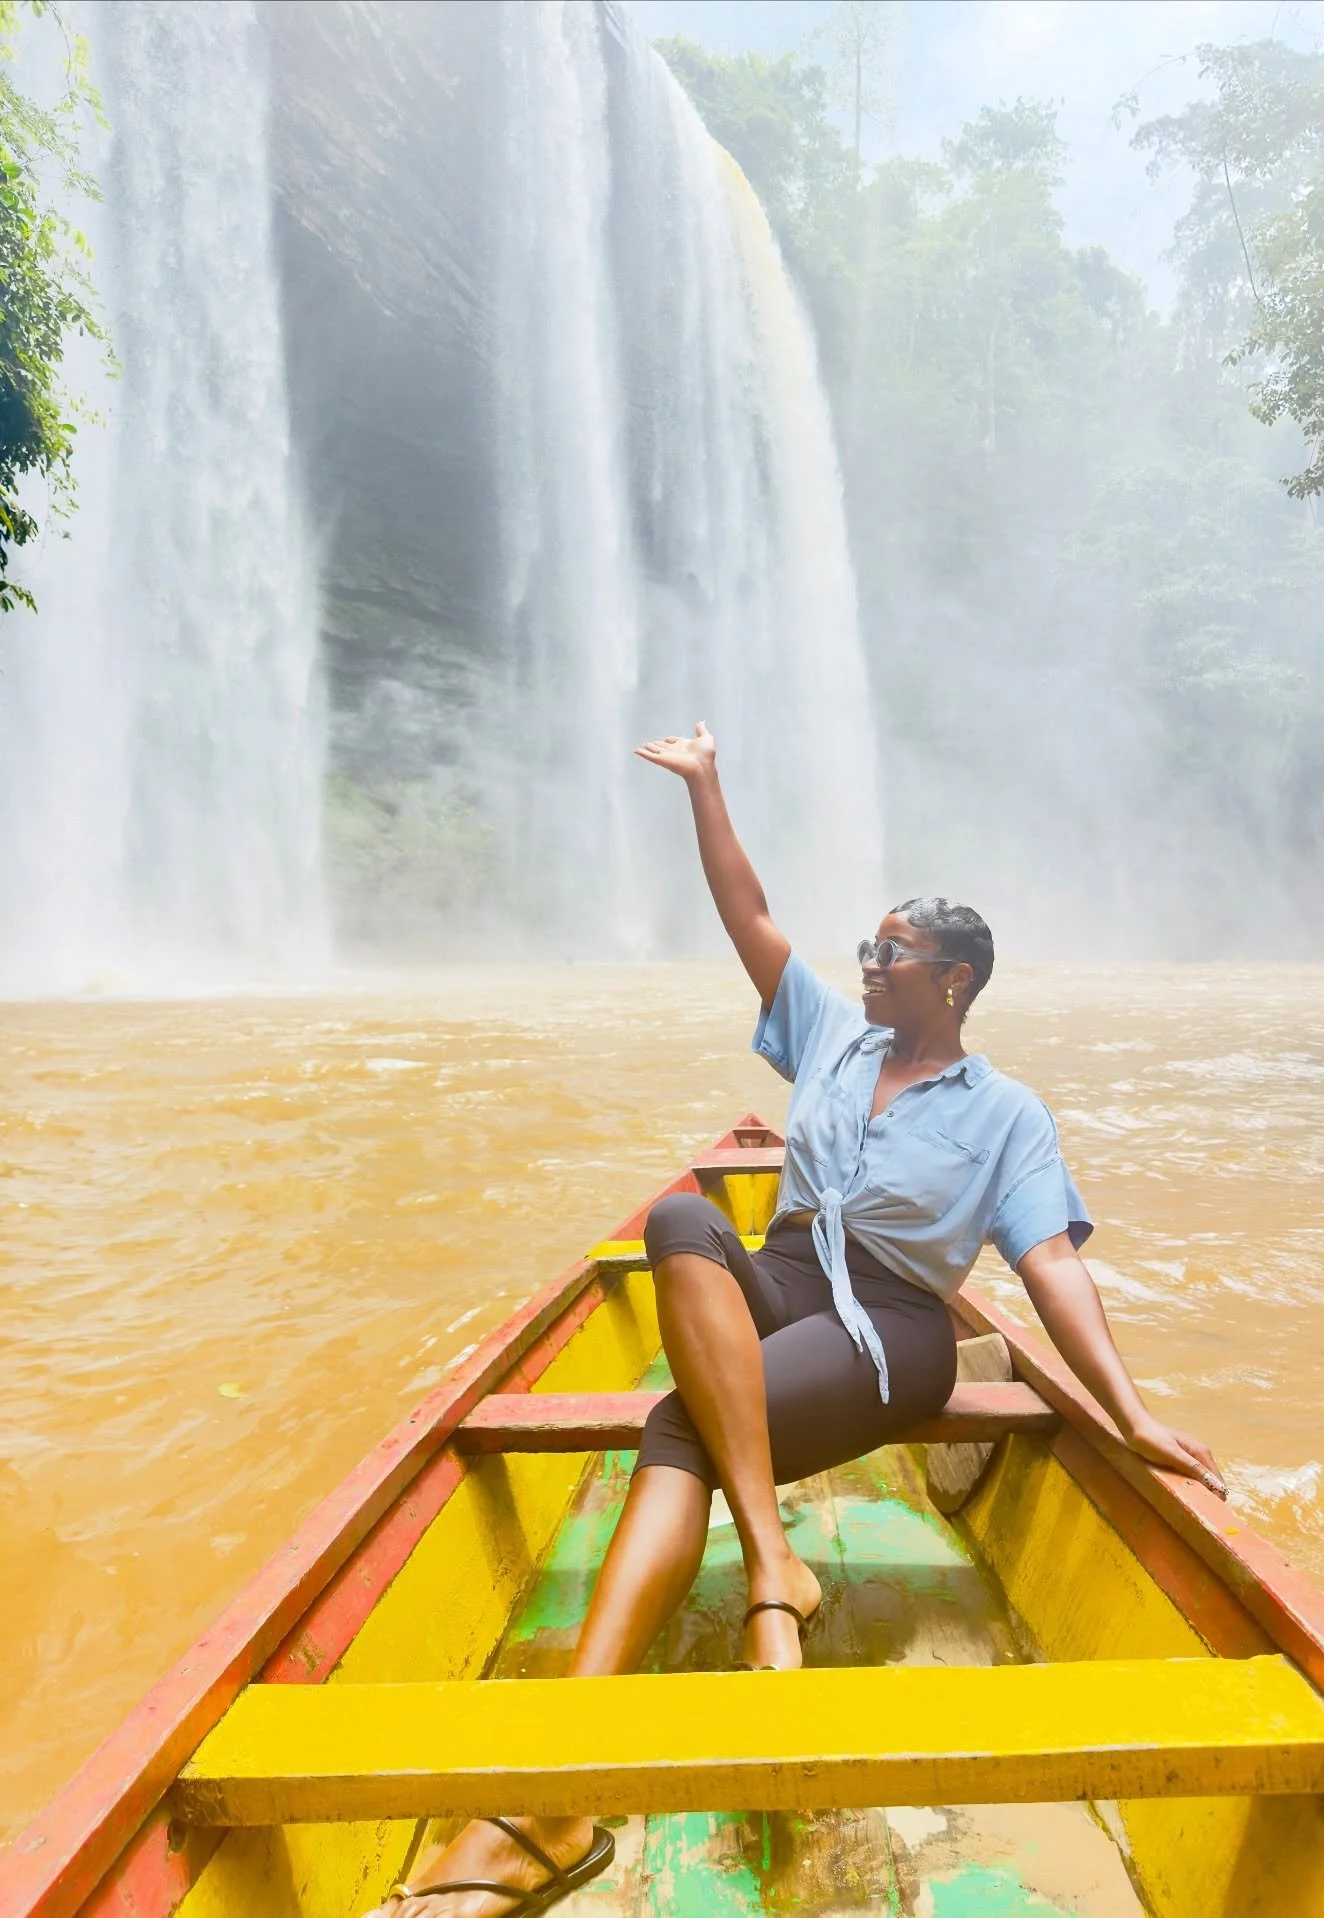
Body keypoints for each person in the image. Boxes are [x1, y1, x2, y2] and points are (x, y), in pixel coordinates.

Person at [370, 722, 1226, 1916]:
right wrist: (707, 788)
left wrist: (1128, 1413)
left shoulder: (1008, 1113)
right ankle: (774, 1562)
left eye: (894, 951)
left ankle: (555, 1784)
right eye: (868, 946)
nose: (868, 962)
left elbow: (1048, 1268)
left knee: (679, 1427)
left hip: (894, 1322)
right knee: (680, 1225)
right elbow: (749, 912)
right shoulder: (835, 1032)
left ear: (957, 980)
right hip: (782, 1274)